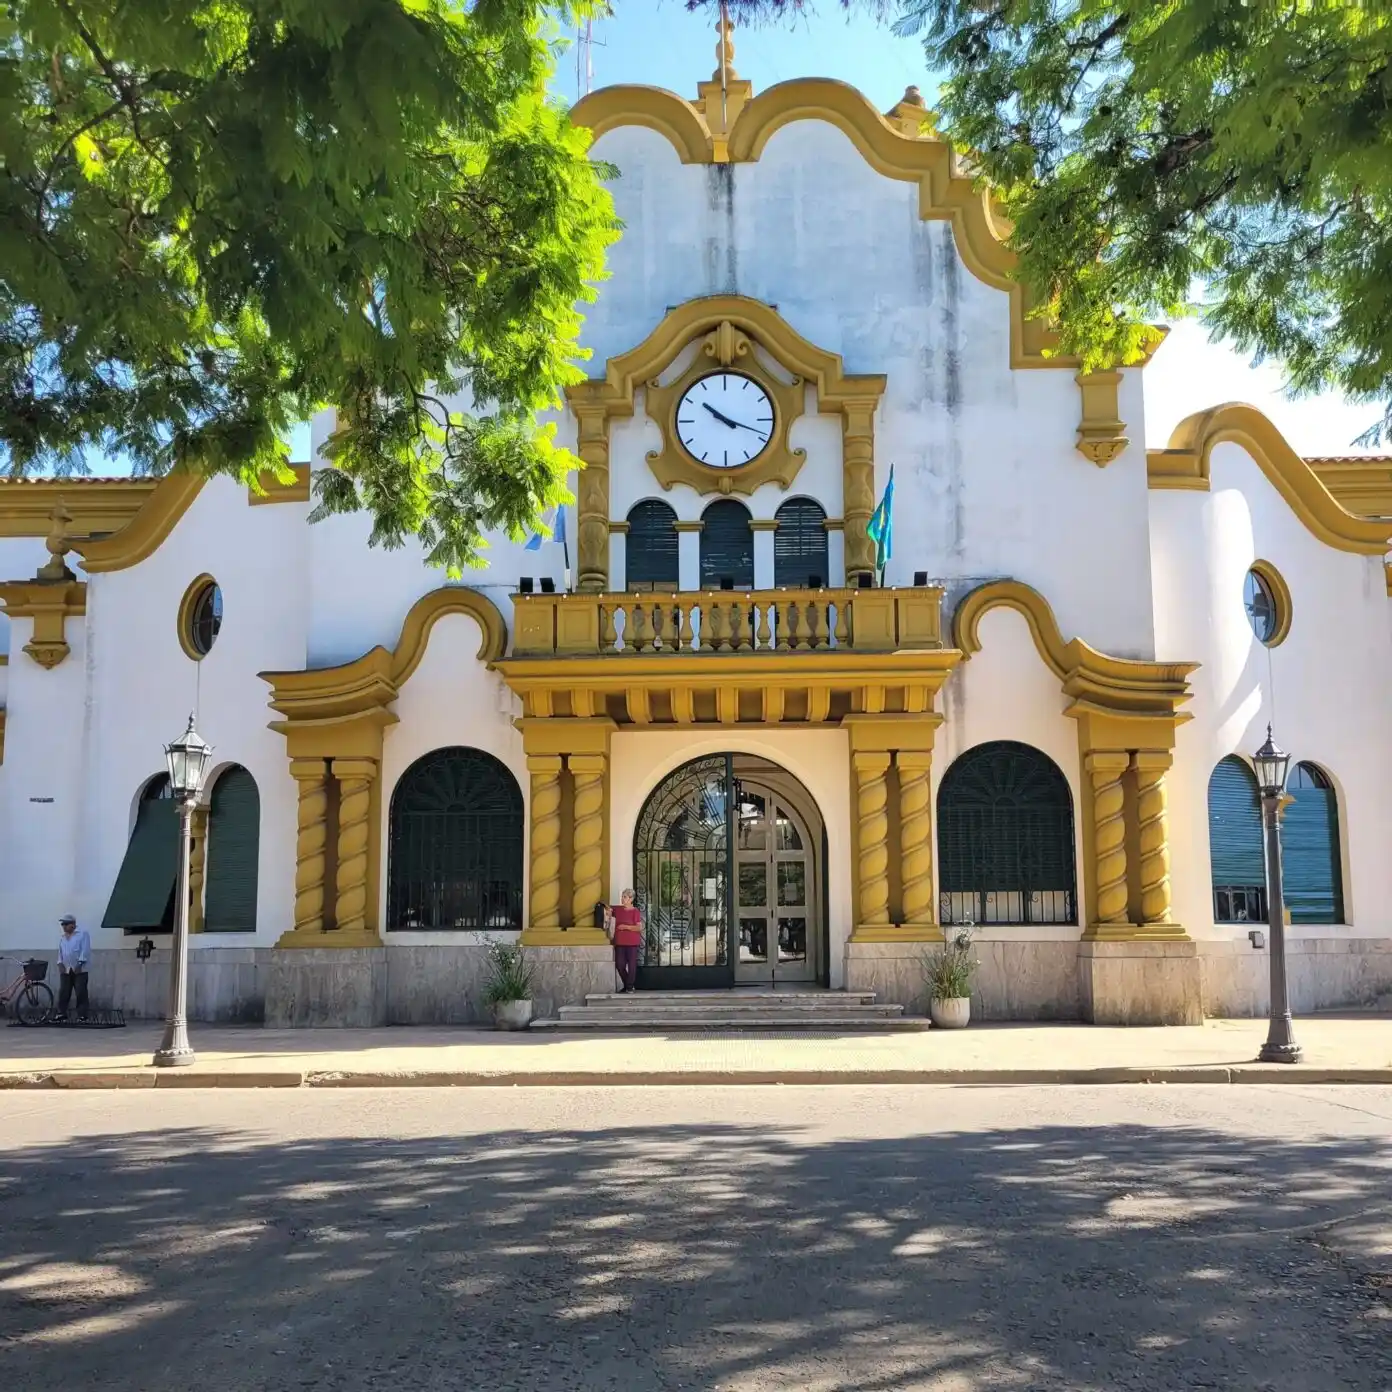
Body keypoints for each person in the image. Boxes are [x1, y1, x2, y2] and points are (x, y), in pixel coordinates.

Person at [607, 889, 643, 994]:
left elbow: (639, 928)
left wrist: (626, 927)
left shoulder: (635, 911)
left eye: (625, 897)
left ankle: (629, 986)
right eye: (622, 896)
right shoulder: (617, 909)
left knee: (631, 966)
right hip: (619, 942)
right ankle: (628, 985)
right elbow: (607, 909)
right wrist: (608, 912)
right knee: (620, 965)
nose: (622, 899)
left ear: (631, 899)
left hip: (632, 942)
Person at [56, 914, 90, 1019]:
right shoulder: (62, 938)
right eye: (63, 924)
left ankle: (82, 1014)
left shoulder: (82, 934)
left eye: (66, 924)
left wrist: (80, 963)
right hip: (66, 968)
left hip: (79, 968)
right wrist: (60, 963)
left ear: (73, 924)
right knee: (64, 992)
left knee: (81, 992)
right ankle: (61, 1013)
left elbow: (85, 950)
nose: (64, 927)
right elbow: (60, 952)